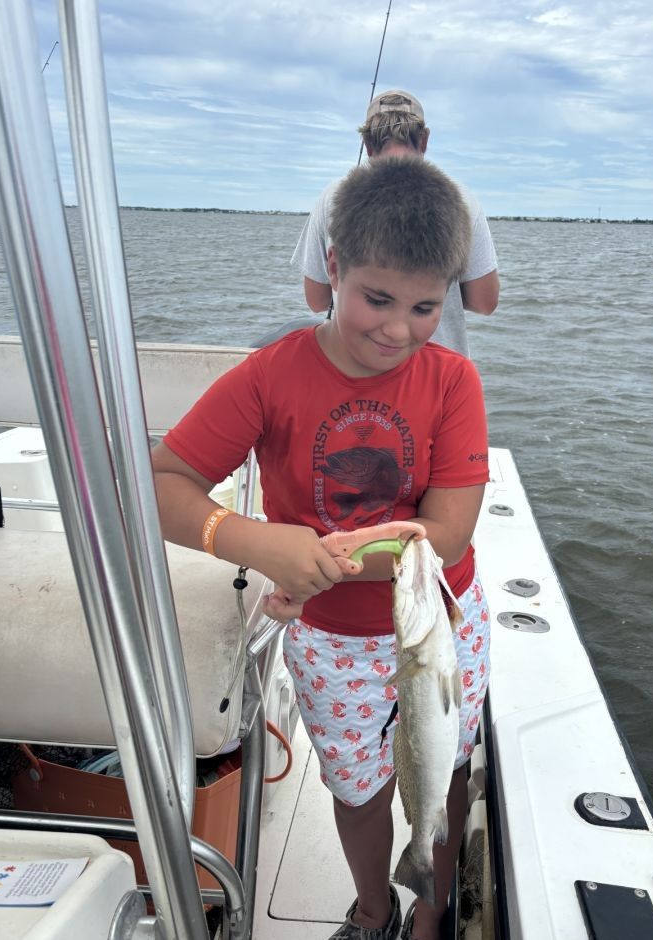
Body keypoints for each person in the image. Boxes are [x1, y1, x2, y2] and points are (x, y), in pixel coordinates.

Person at [152, 157, 491, 940]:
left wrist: (321, 557)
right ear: (333, 266)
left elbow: (444, 536)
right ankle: (375, 909)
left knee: (446, 765)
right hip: (332, 642)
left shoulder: (453, 382)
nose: (398, 329)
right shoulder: (270, 377)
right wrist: (250, 539)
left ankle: (432, 906)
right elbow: (165, 481)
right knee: (356, 785)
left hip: (441, 628)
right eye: (377, 298)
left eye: (425, 306)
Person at [291, 89, 499, 357]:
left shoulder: (333, 196)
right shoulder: (462, 199)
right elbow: (485, 301)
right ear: (424, 140)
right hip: (439, 374)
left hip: (353, 371)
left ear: (367, 143)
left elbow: (317, 300)